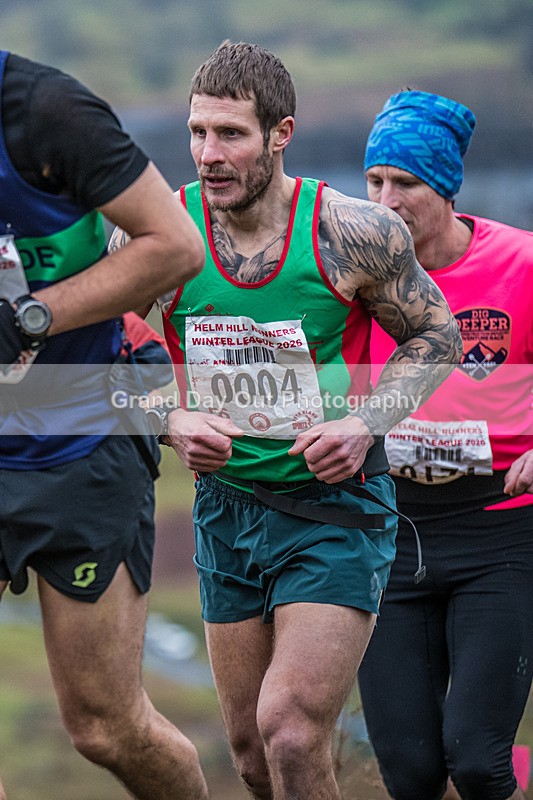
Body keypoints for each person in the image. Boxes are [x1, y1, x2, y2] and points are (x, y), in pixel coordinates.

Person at [110, 41, 461, 800]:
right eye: (198, 132)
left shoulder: (351, 231)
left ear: (280, 134)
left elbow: (437, 336)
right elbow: (103, 368)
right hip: (225, 512)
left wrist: (365, 424)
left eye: (230, 134)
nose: (208, 153)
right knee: (249, 755)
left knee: (292, 730)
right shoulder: (158, 236)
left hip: (335, 510)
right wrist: (170, 417)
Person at [0, 52, 209, 800]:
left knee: (106, 729)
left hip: (80, 442)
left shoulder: (46, 112)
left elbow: (176, 244)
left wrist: (29, 318)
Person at [357, 89, 533, 800]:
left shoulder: (518, 265)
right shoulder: (351, 274)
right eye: (372, 182)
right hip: (387, 536)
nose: (384, 200)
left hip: (498, 533)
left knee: (478, 762)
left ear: (446, 188)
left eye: (404, 184)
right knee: (410, 772)